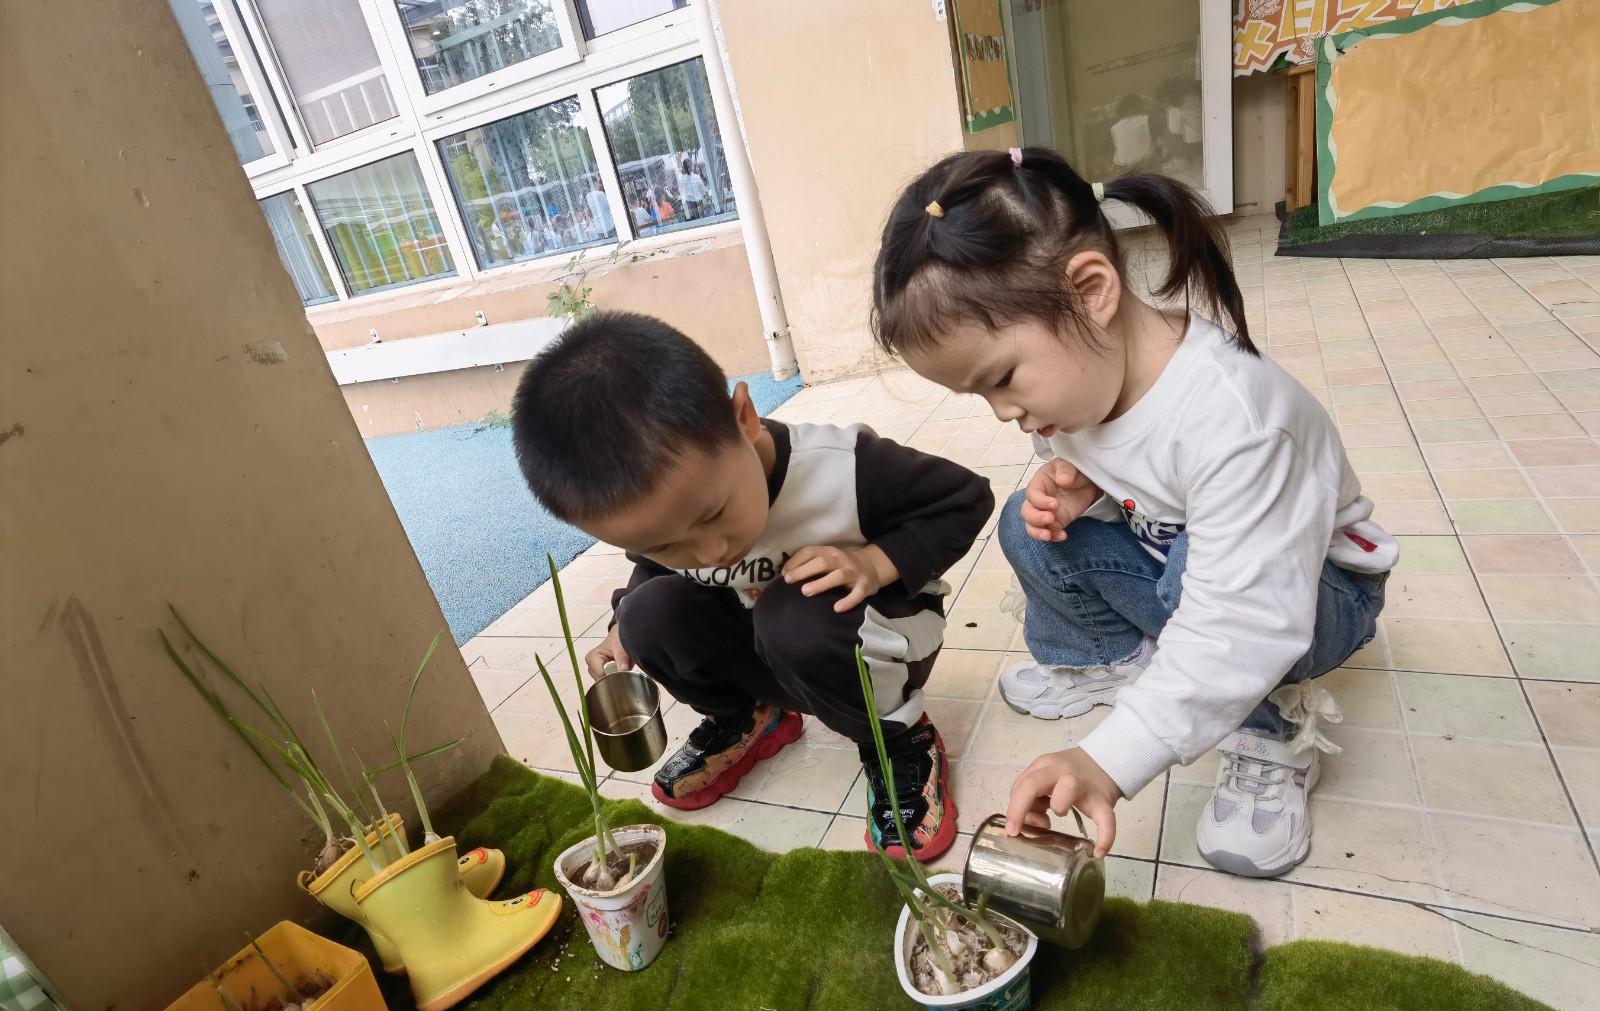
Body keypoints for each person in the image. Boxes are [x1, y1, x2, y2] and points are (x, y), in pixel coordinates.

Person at [870, 147, 1394, 879]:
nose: (1002, 413)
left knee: (1192, 579)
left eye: (1002, 379)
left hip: (1311, 598)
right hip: (1189, 564)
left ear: (1091, 291)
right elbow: (1132, 466)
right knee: (1028, 520)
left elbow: (1242, 620)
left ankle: (1269, 733)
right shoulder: (1084, 382)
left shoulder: (1238, 422)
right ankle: (1113, 662)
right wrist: (1082, 486)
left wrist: (1111, 758)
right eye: (978, 395)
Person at [511, 313, 995, 861]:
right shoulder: (678, 520)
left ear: (743, 420)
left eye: (713, 514)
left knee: (793, 616)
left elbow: (966, 499)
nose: (709, 552)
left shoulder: (845, 468)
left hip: (880, 637)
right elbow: (651, 570)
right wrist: (619, 627)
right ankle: (747, 719)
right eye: (667, 544)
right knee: (643, 614)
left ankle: (899, 741)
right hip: (771, 647)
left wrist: (874, 563)